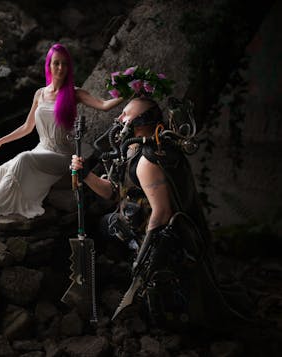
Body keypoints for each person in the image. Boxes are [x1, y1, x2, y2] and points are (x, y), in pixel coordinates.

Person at [71, 96, 249, 329]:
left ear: (142, 120)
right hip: (134, 221)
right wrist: (85, 174)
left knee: (159, 291)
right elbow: (114, 193)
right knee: (103, 225)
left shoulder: (148, 160)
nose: (118, 118)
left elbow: (163, 212)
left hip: (159, 236)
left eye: (126, 114)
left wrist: (146, 258)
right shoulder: (132, 150)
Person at [0, 43, 124, 228]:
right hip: (42, 150)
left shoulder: (75, 93)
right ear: (48, 66)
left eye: (65, 63)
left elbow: (104, 105)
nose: (60, 67)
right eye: (56, 63)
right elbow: (27, 127)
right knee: (3, 168)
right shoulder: (40, 94)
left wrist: (131, 88)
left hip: (64, 157)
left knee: (23, 157)